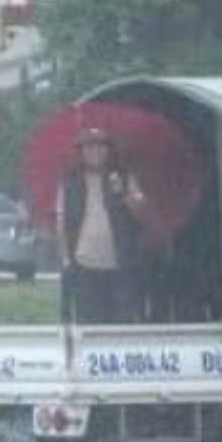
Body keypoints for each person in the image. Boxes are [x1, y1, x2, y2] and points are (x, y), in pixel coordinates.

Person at [60, 126, 149, 324]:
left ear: (108, 151)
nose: (95, 153)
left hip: (119, 264)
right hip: (85, 264)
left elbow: (141, 211)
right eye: (89, 148)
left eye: (100, 147)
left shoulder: (123, 176)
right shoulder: (71, 181)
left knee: (120, 323)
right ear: (81, 152)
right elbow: (62, 219)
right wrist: (66, 257)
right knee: (90, 323)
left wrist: (123, 192)